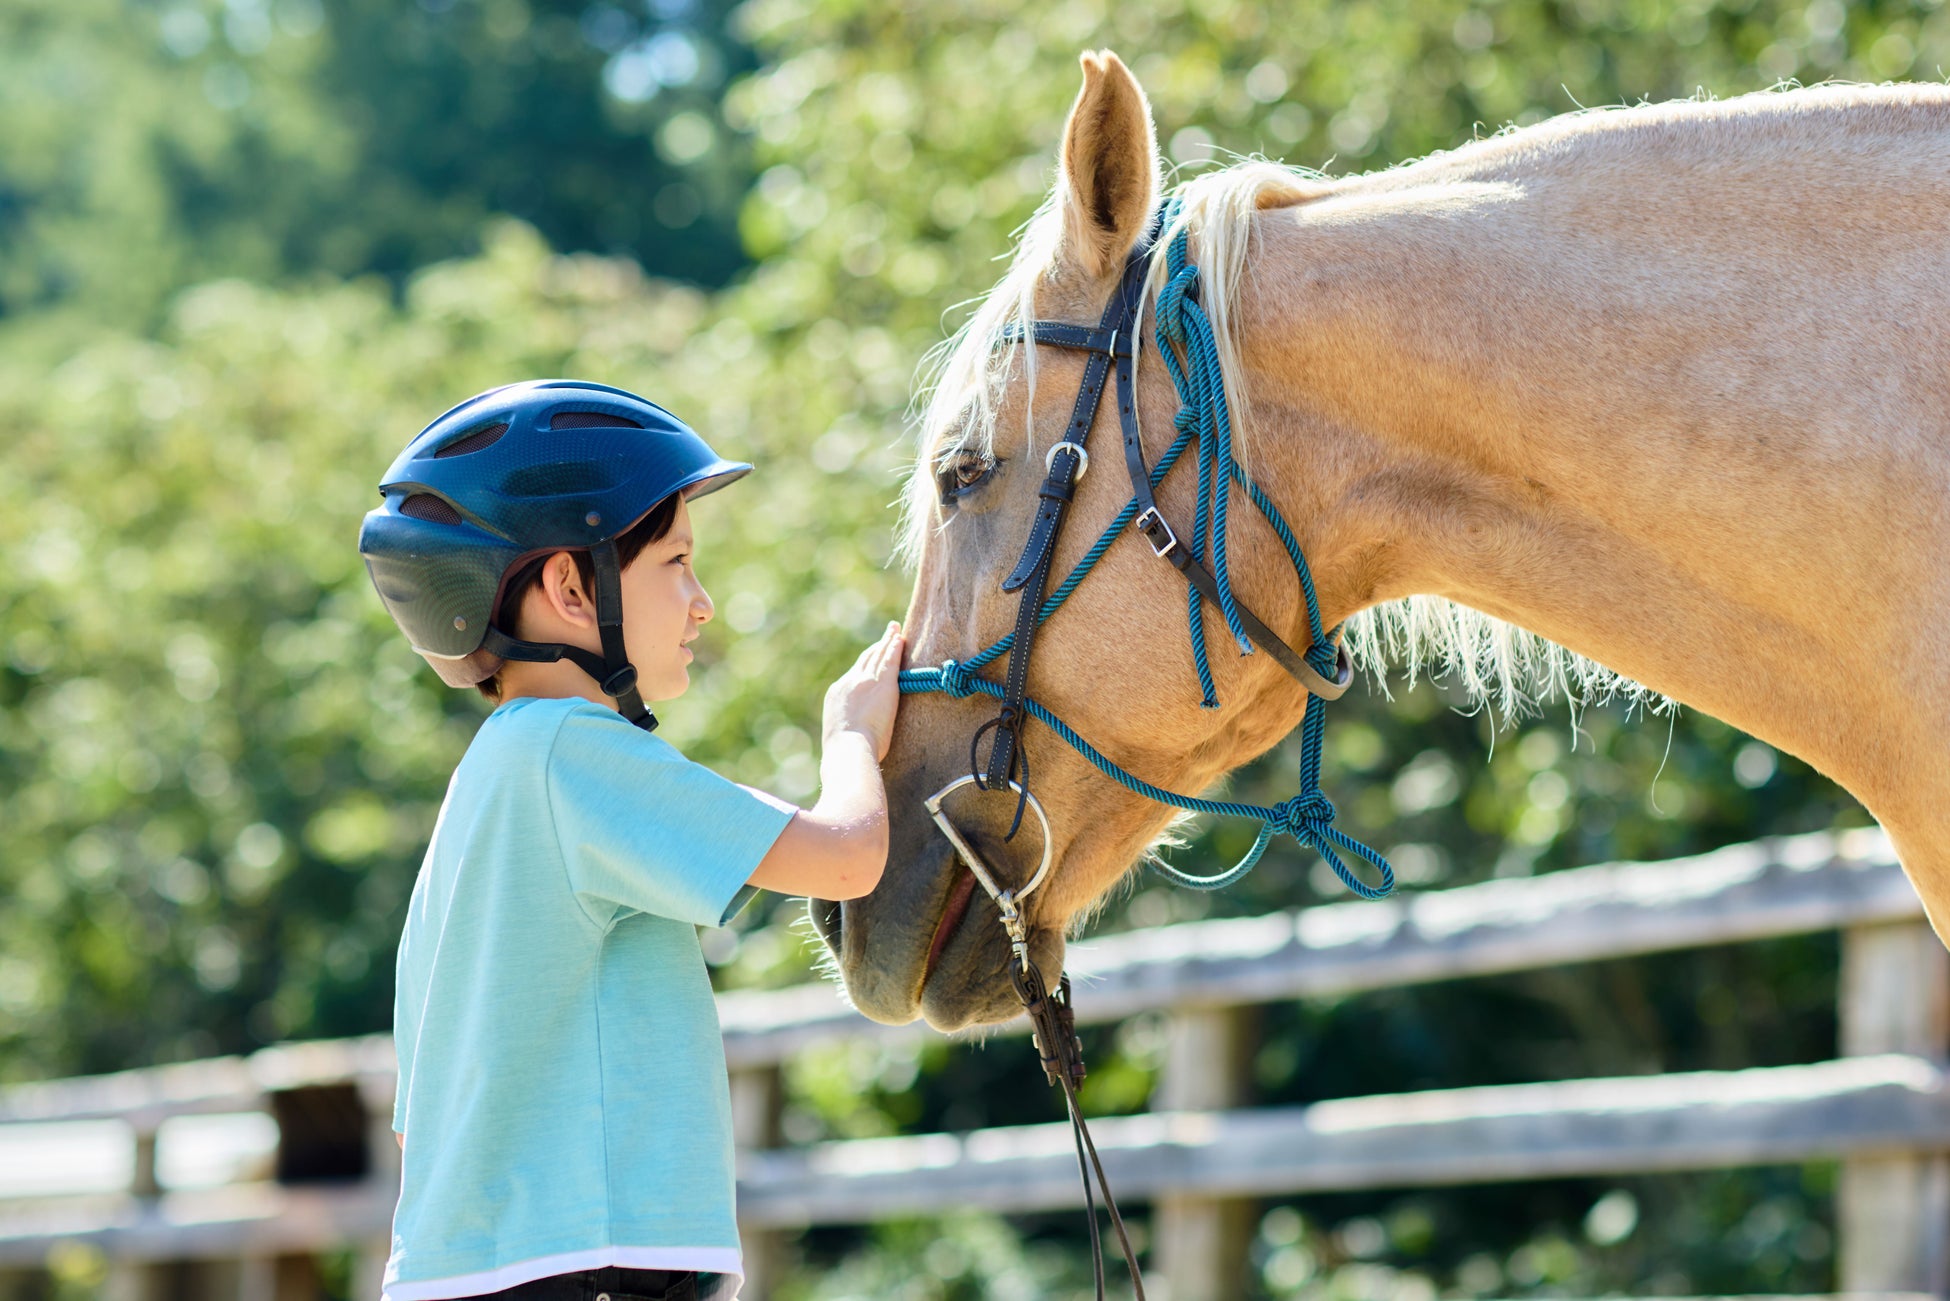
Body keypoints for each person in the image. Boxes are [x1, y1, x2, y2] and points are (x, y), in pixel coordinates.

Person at [357, 379, 903, 1301]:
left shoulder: (485, 785)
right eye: (677, 562)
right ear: (573, 586)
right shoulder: (574, 751)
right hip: (581, 1267)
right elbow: (848, 856)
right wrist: (850, 731)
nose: (703, 602)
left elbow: (420, 1116)